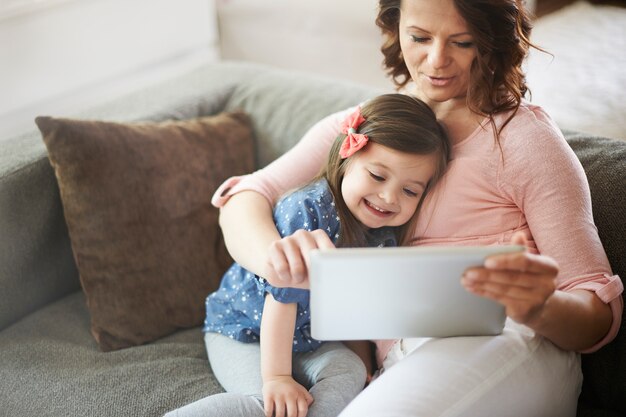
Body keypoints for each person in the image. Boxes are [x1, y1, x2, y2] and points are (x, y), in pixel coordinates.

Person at [211, 0, 624, 416]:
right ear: (396, 28)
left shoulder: (523, 140)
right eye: (420, 38)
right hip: (401, 359)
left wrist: (540, 306)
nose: (437, 60)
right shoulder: (374, 126)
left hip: (511, 338)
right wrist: (276, 259)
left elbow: (598, 309)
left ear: (493, 40)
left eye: (462, 42)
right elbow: (243, 197)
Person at [165, 94, 450, 417]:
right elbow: (282, 297)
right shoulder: (307, 210)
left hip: (310, 337)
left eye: (410, 191)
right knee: (264, 402)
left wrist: (366, 363)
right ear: (346, 158)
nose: (388, 197)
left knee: (350, 373)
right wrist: (277, 378)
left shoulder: (383, 233)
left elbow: (353, 307)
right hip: (246, 330)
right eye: (378, 176)